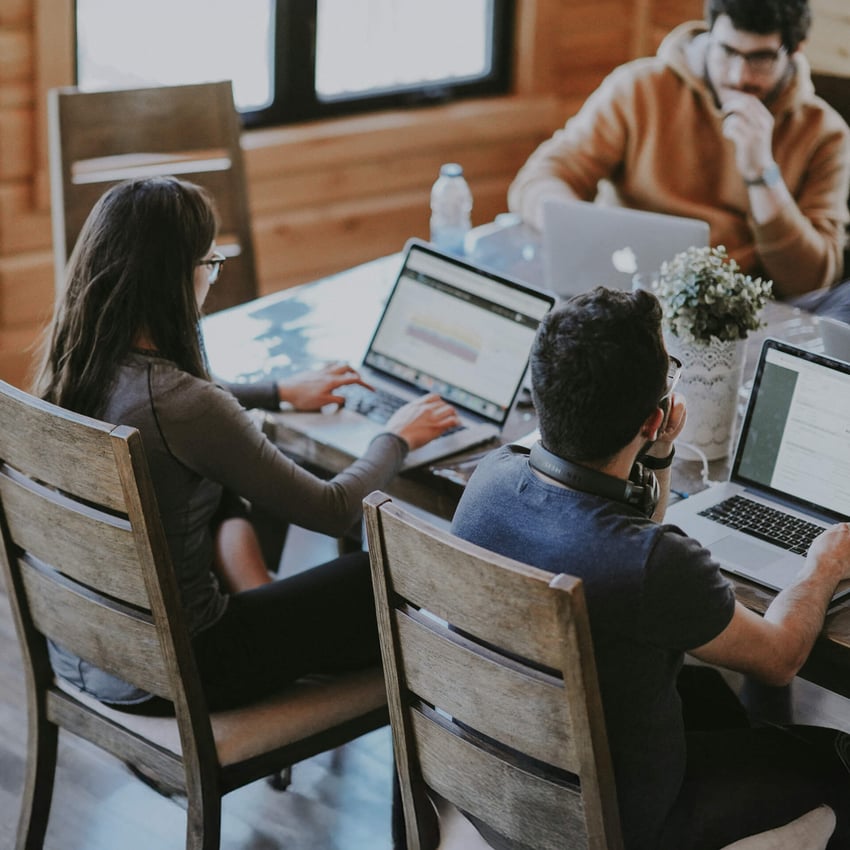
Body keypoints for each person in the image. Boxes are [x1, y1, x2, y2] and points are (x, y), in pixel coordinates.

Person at [35, 175, 460, 713]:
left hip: (85, 650)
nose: (213, 278)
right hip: (185, 668)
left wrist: (278, 392)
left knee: (220, 485)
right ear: (175, 278)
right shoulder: (183, 405)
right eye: (210, 265)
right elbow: (330, 510)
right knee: (374, 576)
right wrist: (396, 435)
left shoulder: (76, 365)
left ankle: (262, 596)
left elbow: (182, 408)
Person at [451, 286, 850, 849]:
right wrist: (824, 564)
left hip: (500, 788)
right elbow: (781, 657)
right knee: (839, 763)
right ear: (651, 416)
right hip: (617, 825)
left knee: (709, 696)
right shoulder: (651, 564)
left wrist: (656, 454)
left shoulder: (488, 482)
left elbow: (629, 530)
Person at [508, 0, 850, 308]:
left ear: (794, 51)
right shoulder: (639, 89)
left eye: (760, 59)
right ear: (710, 33)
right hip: (623, 292)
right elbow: (540, 178)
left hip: (735, 315)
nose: (738, 76)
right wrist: (578, 232)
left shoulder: (824, 134)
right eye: (727, 51)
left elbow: (811, 279)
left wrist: (762, 173)